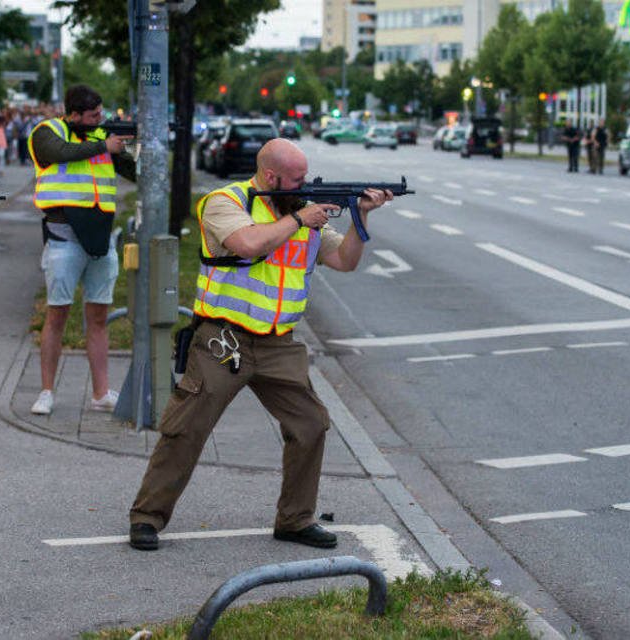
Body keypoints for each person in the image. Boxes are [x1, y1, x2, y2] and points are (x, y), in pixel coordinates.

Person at [127, 137, 392, 552]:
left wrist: (360, 216)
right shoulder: (225, 202)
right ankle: (147, 517)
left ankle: (295, 519)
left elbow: (345, 260)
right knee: (186, 428)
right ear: (271, 177)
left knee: (310, 424)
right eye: (297, 179)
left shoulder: (303, 213)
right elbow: (249, 244)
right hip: (223, 339)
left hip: (278, 344)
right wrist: (301, 220)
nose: (306, 185)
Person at [26, 84, 134, 416]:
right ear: (73, 115)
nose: (99, 119)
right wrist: (104, 145)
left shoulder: (101, 137)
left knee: (98, 318)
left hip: (100, 238)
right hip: (64, 236)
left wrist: (125, 150)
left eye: (101, 114)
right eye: (92, 115)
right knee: (57, 316)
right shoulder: (48, 132)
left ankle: (100, 393)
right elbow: (60, 153)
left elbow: (134, 172)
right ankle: (46, 392)